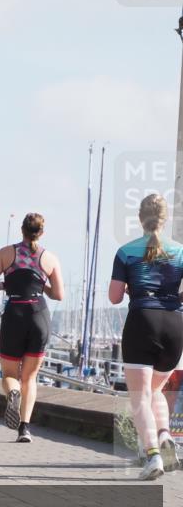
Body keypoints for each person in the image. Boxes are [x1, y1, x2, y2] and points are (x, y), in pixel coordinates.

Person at [108, 194, 183, 480]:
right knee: (156, 391)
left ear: (140, 218)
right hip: (175, 324)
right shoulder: (180, 251)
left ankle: (153, 456)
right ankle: (165, 436)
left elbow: (114, 297)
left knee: (140, 397)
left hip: (142, 322)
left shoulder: (126, 252)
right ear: (165, 220)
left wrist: (132, 289)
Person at [0, 213, 64, 443]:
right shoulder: (49, 258)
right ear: (42, 232)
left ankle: (13, 393)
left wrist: (6, 284)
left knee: (10, 374)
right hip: (39, 315)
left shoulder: (6, 252)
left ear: (21, 230)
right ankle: (25, 429)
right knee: (30, 377)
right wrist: (42, 285)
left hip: (14, 313)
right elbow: (58, 293)